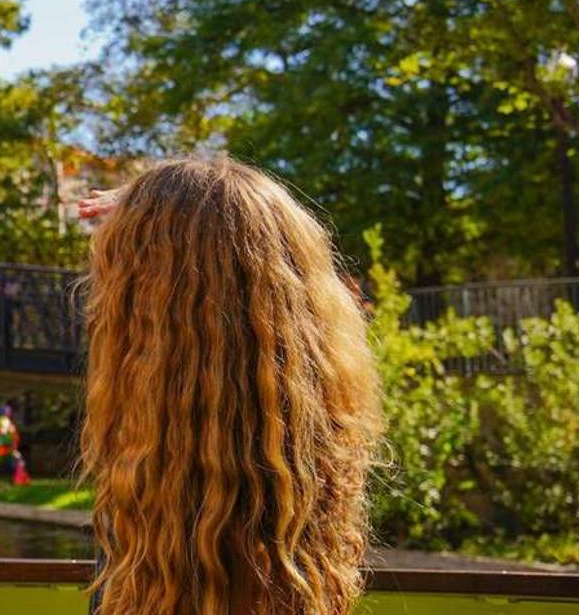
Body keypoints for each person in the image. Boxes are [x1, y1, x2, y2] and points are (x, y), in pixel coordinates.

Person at [77, 158, 380, 615]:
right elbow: (263, 247)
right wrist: (174, 203)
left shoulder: (155, 487)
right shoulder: (299, 467)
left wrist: (166, 207)